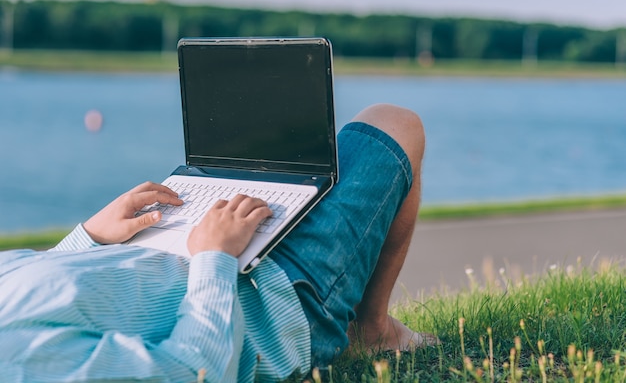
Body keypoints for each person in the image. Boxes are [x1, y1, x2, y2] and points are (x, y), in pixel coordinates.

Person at [0, 103, 437, 382]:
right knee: (396, 124)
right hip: (273, 301)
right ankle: (370, 331)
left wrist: (89, 236)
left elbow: (43, 300)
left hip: (198, 246)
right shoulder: (21, 366)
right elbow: (196, 371)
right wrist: (213, 255)